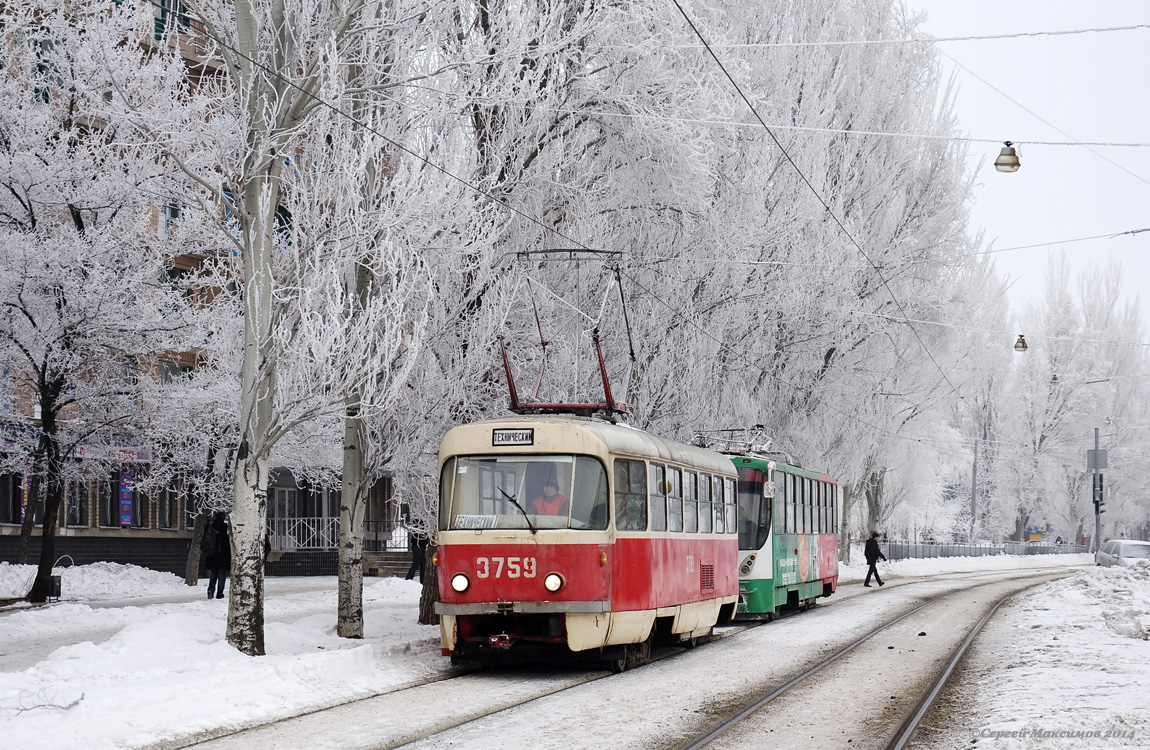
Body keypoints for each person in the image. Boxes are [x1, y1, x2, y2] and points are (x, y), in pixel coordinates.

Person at [203, 512, 231, 599]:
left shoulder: (210, 526)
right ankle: (220, 593)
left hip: (212, 556)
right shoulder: (225, 528)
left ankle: (211, 590)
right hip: (223, 556)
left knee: (213, 574)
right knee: (221, 575)